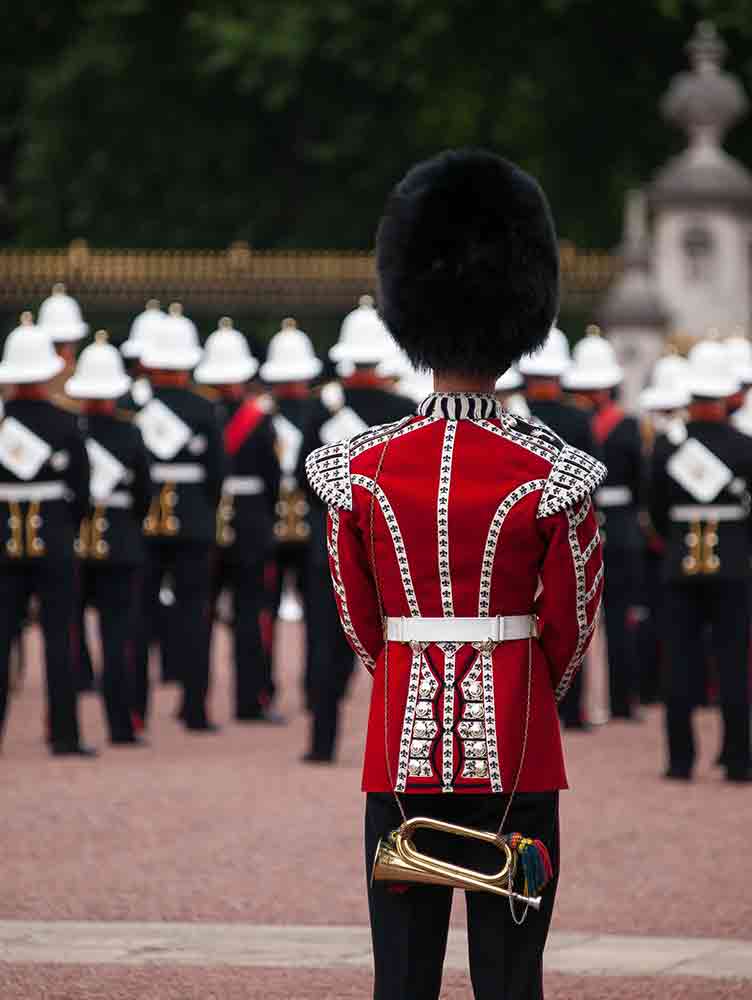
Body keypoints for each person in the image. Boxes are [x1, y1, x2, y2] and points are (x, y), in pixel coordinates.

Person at [306, 150, 606, 1000]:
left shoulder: (360, 468)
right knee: (511, 975)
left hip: (398, 736)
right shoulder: (552, 470)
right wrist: (527, 680)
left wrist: (406, 671)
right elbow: (572, 621)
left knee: (401, 975)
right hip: (518, 731)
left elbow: (358, 616)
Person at [298, 296, 414, 763]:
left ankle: (321, 745)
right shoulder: (406, 409)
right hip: (392, 546)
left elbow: (302, 482)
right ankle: (398, 751)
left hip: (330, 541)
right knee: (403, 650)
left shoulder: (321, 413)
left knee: (328, 647)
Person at [649, 340, 752, 783]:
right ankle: (738, 757)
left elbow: (655, 511)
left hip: (679, 564)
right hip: (732, 564)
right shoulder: (745, 445)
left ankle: (680, 759)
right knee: (734, 663)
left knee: (680, 663)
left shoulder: (668, 447)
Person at [0, 313, 95, 755]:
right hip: (54, 540)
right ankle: (64, 734)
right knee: (61, 639)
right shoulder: (65, 424)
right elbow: (82, 492)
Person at [135, 303, 225, 731]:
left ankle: (133, 709)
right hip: (193, 520)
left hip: (144, 521)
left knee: (137, 615)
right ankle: (194, 708)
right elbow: (216, 476)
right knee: (194, 616)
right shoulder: (205, 408)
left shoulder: (132, 405)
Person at [65, 332, 153, 745]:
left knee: (67, 636)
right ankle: (122, 724)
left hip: (71, 543)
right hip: (120, 541)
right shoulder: (130, 433)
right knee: (120, 639)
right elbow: (143, 496)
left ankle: (64, 722)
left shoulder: (71, 428)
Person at [194, 318, 282, 722]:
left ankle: (194, 704)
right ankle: (250, 701)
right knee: (250, 615)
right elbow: (273, 478)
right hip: (250, 521)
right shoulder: (259, 419)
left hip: (208, 519)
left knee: (199, 616)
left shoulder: (201, 414)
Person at [518, 326, 600, 729]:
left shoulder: (511, 413)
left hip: (519, 527)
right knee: (571, 611)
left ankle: (524, 700)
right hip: (567, 523)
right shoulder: (579, 417)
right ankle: (570, 705)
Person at [564, 329, 644, 721]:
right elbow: (641, 483)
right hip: (621, 525)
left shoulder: (571, 424)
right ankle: (621, 704)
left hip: (584, 523)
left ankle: (586, 705)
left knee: (580, 620)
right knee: (616, 619)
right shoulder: (627, 426)